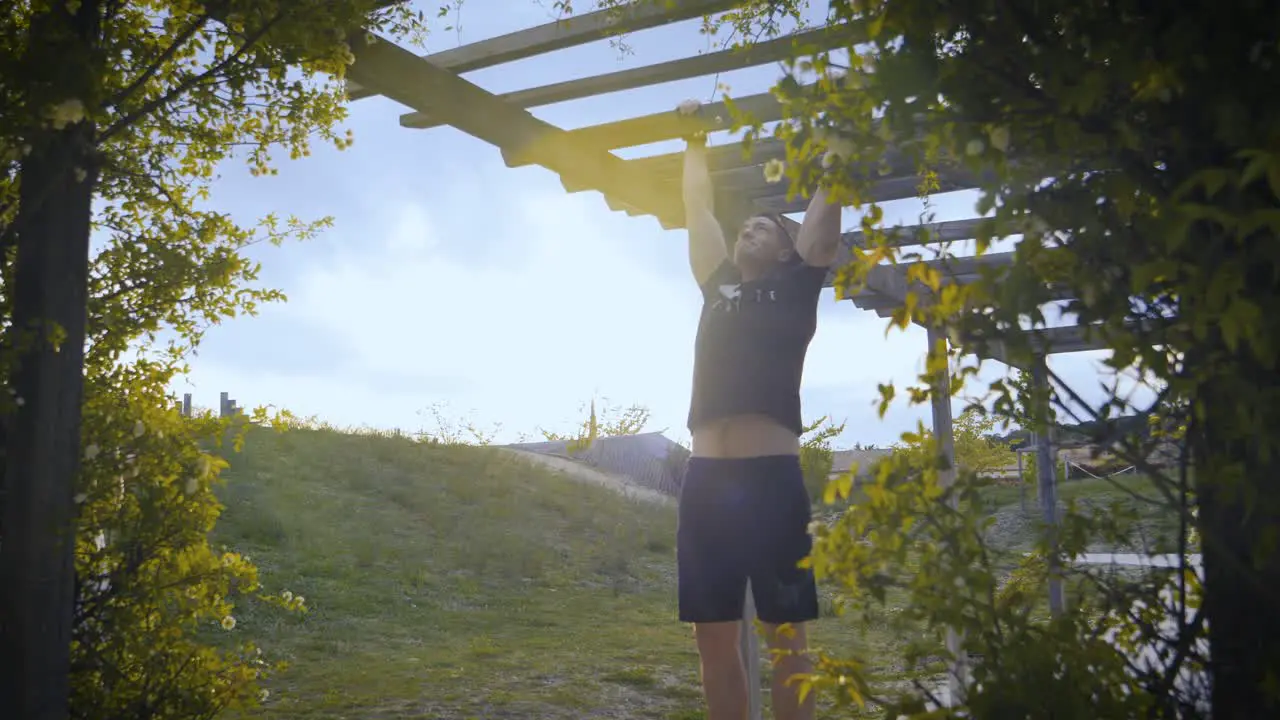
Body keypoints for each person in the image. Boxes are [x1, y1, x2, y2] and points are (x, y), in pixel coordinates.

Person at [675, 98, 843, 720]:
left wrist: (838, 149)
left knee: (786, 638)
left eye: (766, 227)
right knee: (712, 638)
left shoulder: (797, 287)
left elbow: (822, 229)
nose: (750, 227)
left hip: (772, 481)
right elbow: (697, 208)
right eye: (746, 223)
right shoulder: (716, 287)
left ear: (786, 250)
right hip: (705, 483)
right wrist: (693, 139)